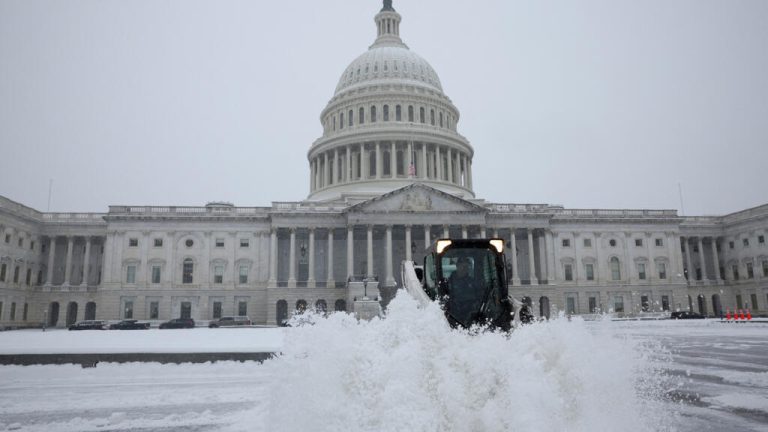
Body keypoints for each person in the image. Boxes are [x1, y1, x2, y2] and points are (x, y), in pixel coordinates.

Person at [447, 256, 480, 324]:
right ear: (457, 266)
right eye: (462, 266)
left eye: (466, 266)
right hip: (452, 315)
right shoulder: (449, 282)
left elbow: (478, 297)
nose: (464, 269)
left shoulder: (472, 282)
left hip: (470, 314)